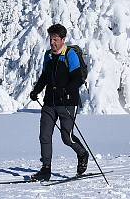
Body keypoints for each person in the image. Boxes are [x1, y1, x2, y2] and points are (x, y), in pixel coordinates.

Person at [28, 23, 88, 181]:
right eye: (51, 39)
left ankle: (82, 154)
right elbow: (44, 77)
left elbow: (78, 78)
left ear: (63, 39)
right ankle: (45, 169)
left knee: (66, 137)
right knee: (44, 135)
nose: (52, 42)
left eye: (55, 39)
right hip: (50, 102)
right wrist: (36, 91)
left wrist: (66, 91)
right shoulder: (48, 56)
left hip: (68, 102)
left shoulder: (70, 55)